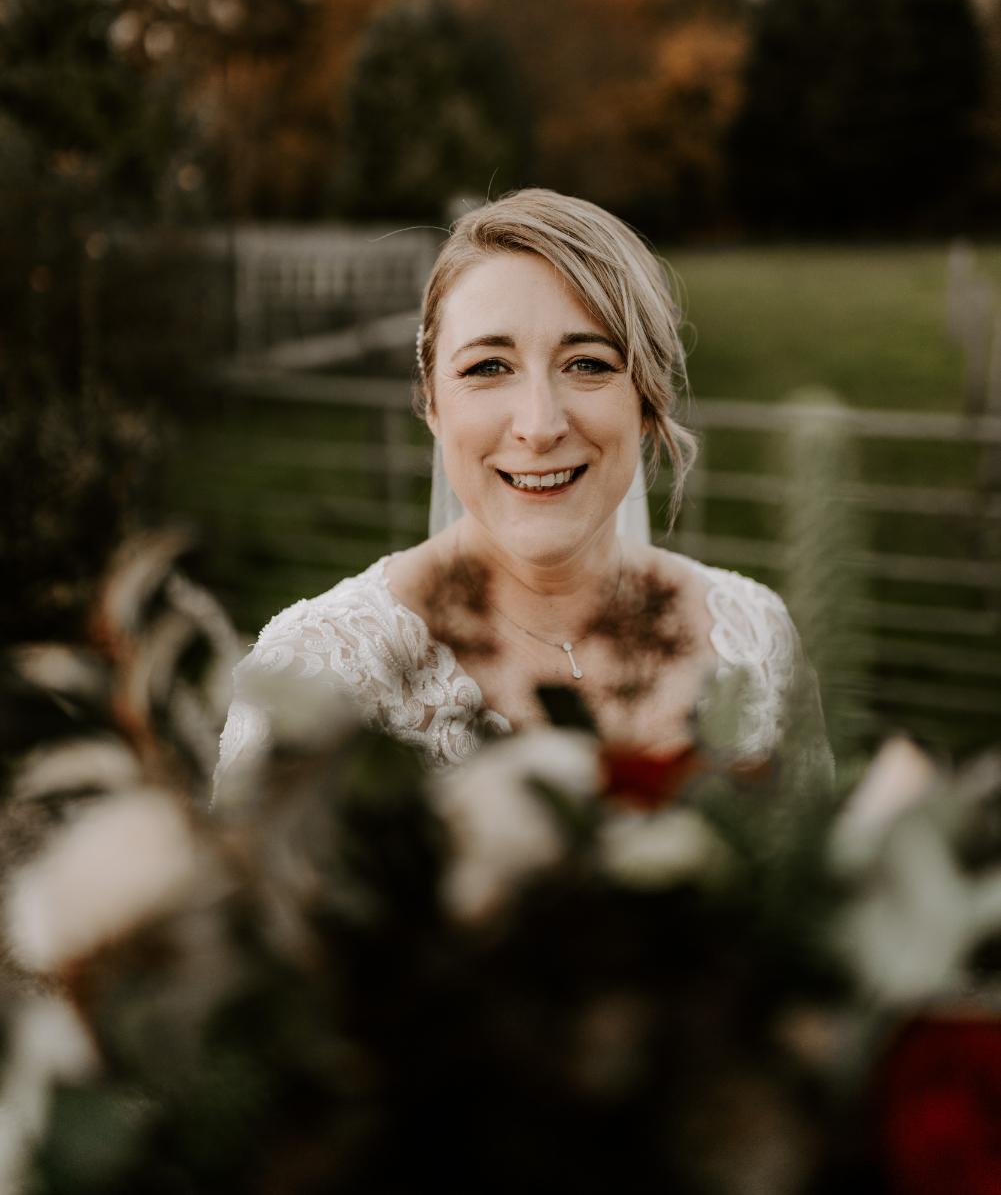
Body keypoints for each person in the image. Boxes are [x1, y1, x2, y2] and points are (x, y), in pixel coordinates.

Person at [216, 189, 832, 796]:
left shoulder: (755, 635)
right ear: (431, 403)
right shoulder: (317, 676)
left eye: (587, 363)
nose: (540, 426)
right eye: (488, 367)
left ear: (646, 398)